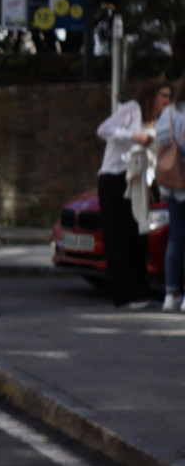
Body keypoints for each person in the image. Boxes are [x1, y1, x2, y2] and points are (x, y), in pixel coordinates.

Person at [98, 78, 170, 309]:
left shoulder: (157, 122)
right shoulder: (132, 109)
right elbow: (103, 129)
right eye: (163, 96)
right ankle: (124, 295)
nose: (167, 101)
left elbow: (151, 160)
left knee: (137, 237)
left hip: (138, 183)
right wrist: (132, 136)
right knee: (118, 237)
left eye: (169, 96)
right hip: (115, 178)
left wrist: (150, 186)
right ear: (151, 95)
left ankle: (141, 290)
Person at [154, 76, 185, 311]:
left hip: (170, 181)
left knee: (176, 237)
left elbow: (160, 140)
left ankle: (170, 294)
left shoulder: (169, 113)